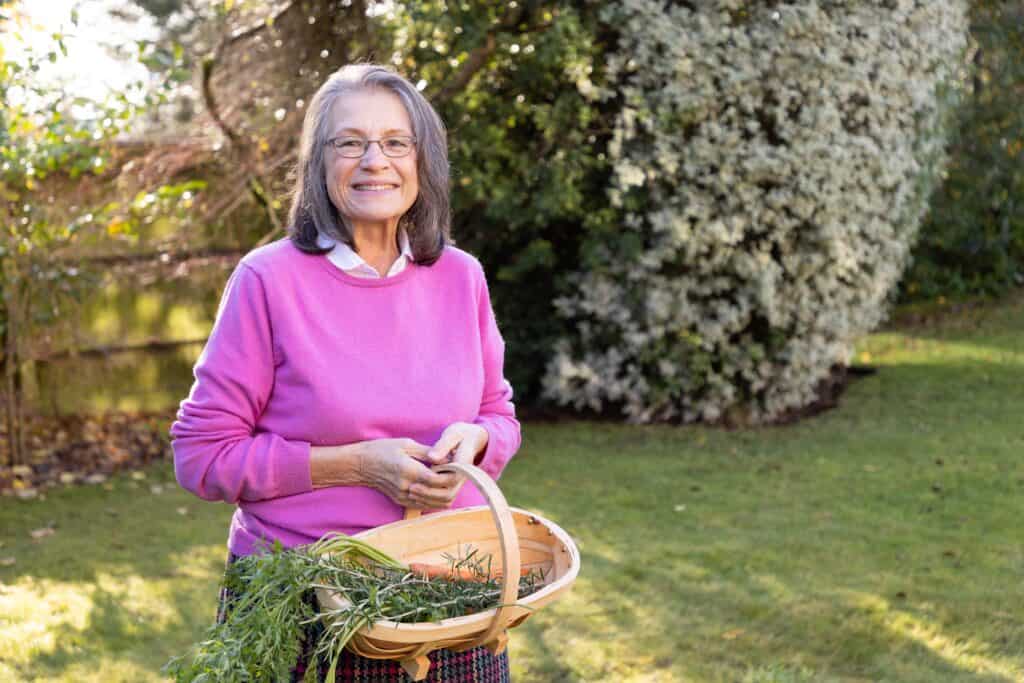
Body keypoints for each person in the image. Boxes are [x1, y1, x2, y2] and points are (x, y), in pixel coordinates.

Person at [171, 63, 521, 682]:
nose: (374, 161)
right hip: (297, 601)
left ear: (423, 160)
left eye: (394, 142)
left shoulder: (461, 276)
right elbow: (202, 457)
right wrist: (359, 465)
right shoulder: (267, 281)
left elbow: (497, 411)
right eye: (350, 142)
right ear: (319, 164)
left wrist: (481, 440)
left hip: (447, 589)